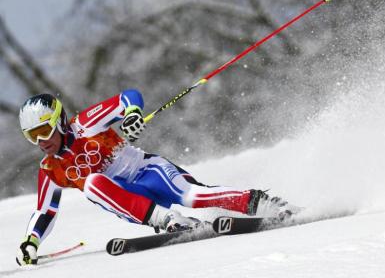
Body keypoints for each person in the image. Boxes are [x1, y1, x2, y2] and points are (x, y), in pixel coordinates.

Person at [16, 90, 296, 265]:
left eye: (44, 130)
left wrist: (132, 114)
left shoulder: (85, 125)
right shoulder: (51, 169)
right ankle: (171, 221)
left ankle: (265, 203)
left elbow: (128, 97)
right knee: (92, 184)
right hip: (132, 201)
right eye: (32, 136)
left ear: (60, 121)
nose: (40, 141)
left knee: (194, 196)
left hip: (148, 172)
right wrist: (31, 242)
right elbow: (45, 211)